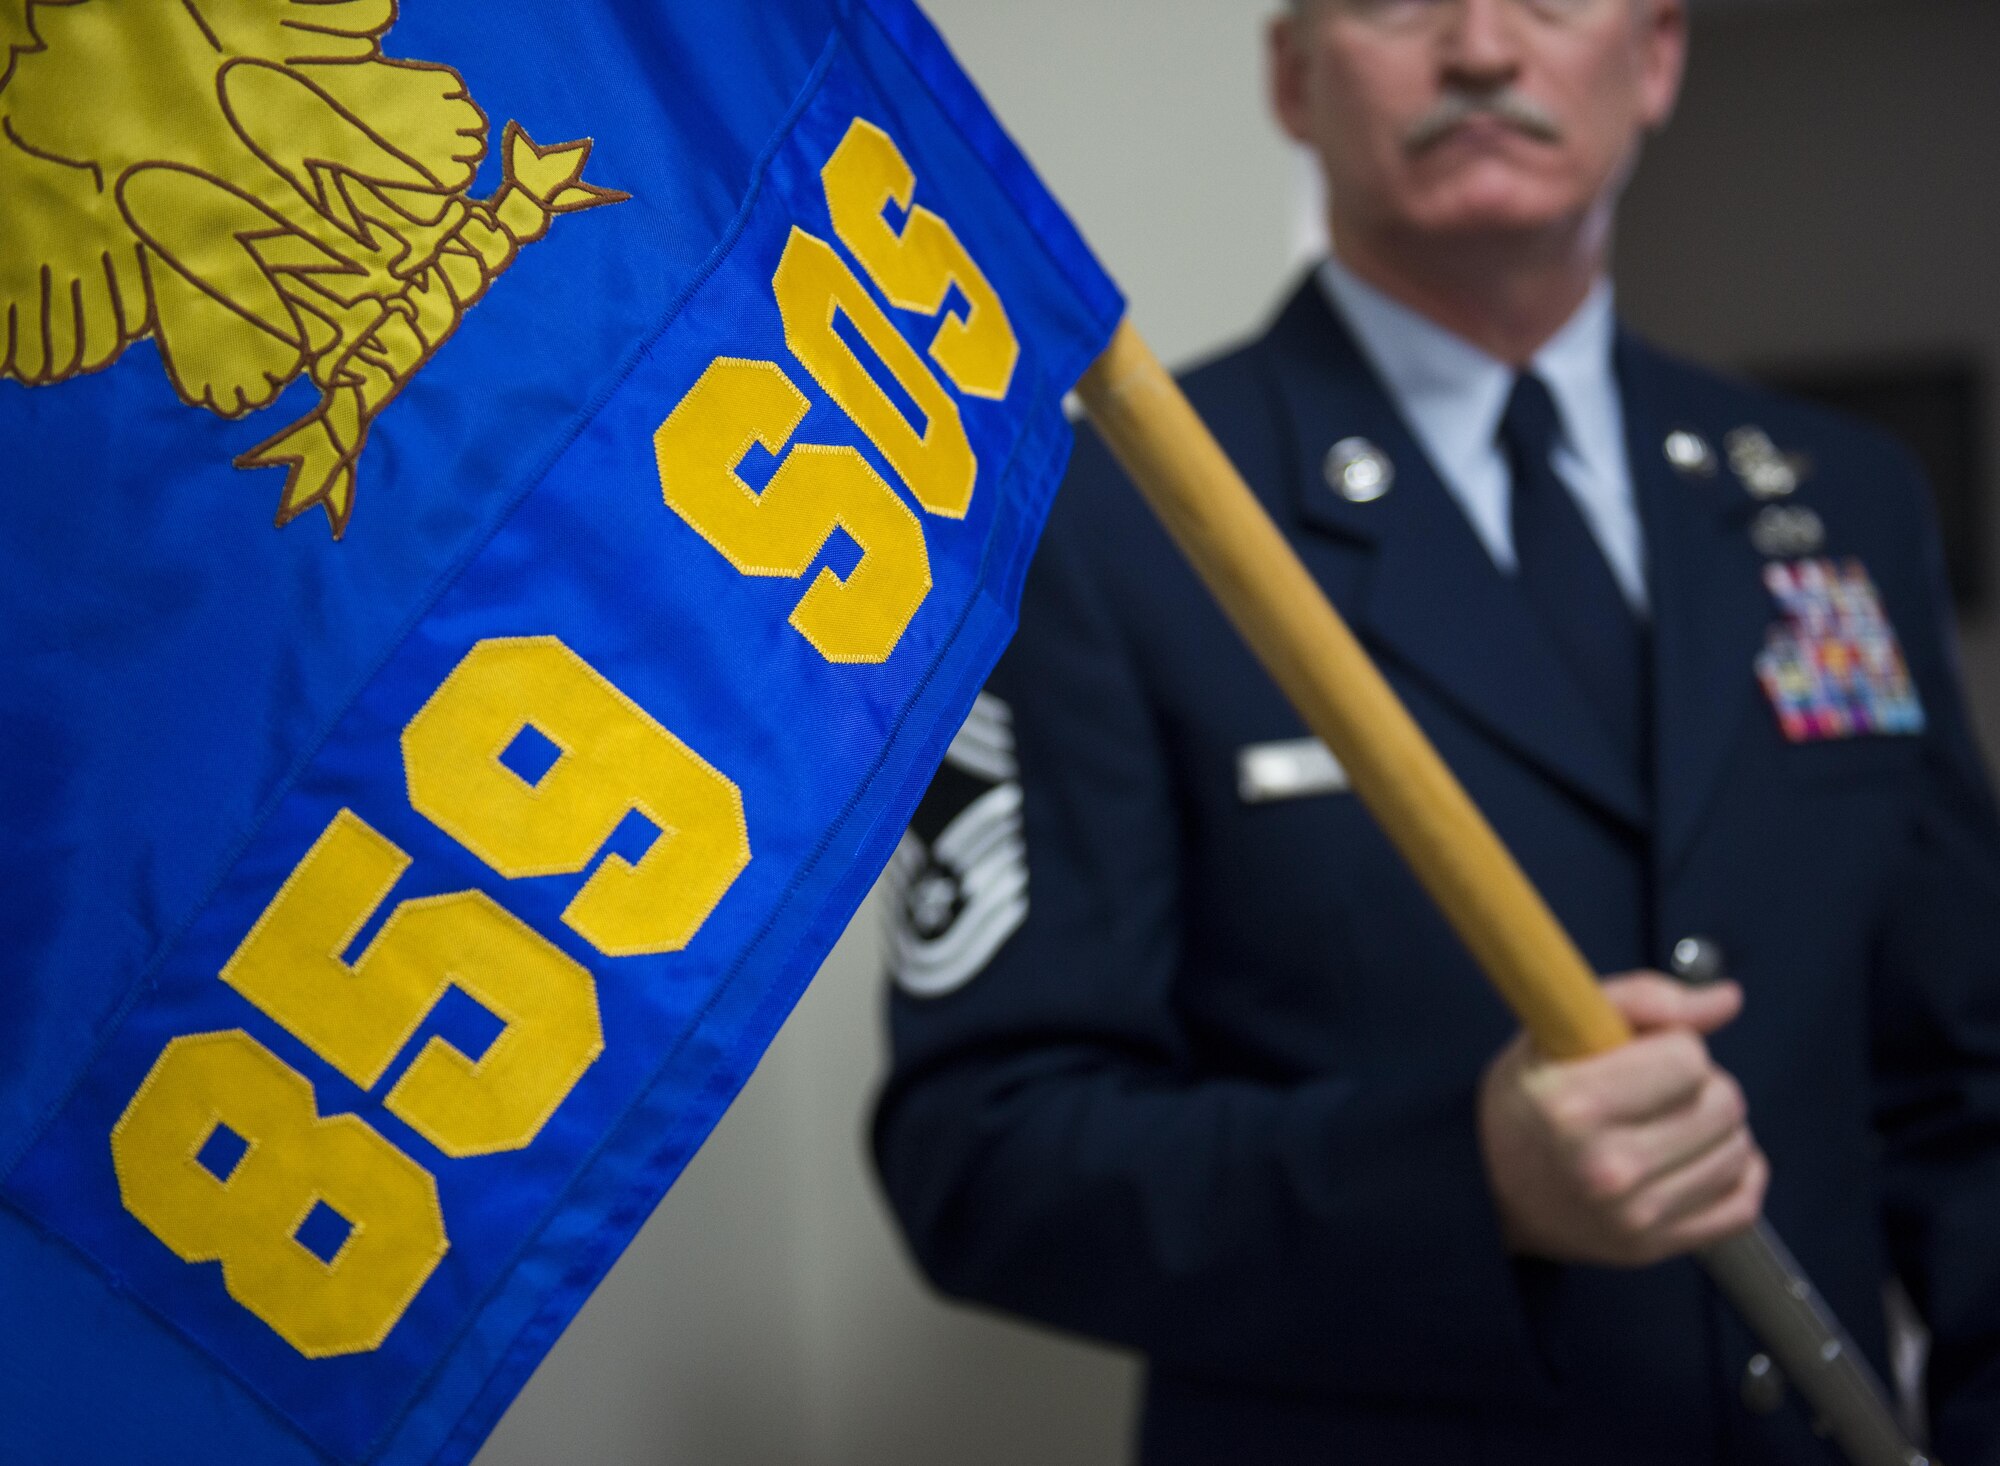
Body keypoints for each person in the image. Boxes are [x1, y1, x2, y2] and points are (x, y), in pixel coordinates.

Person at [871, 0, 2000, 1461]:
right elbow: (985, 1152)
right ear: (1291, 76)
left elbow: (1965, 1088)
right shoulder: (1105, 525)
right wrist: (1472, 1179)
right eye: (1401, 1)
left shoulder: (1837, 499)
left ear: (1655, 59)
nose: (1480, 45)